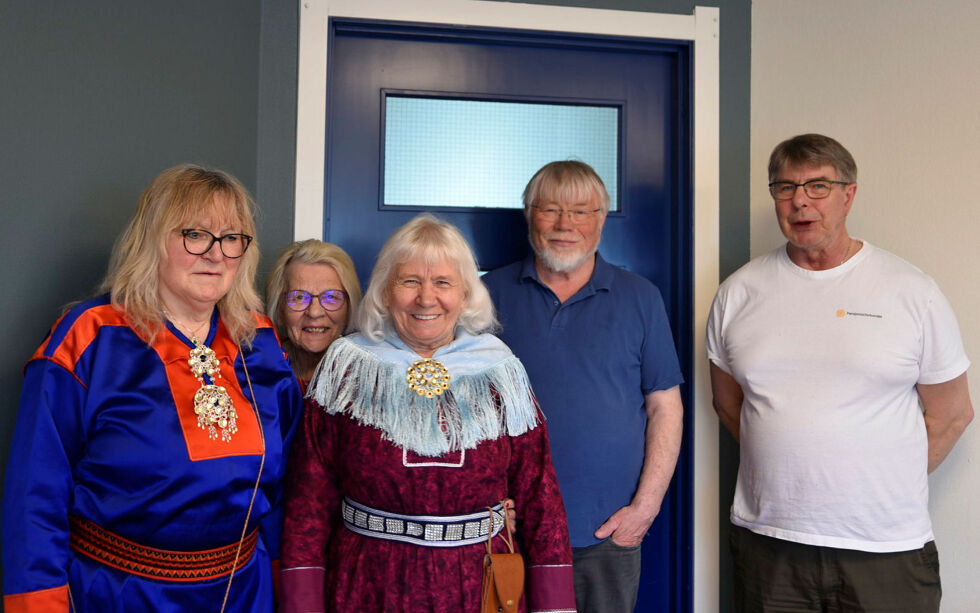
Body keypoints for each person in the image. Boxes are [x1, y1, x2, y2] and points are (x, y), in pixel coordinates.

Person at [2, 164, 302, 612]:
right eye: (195, 234)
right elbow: (35, 495)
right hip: (120, 595)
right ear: (152, 240)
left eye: (232, 238)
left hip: (242, 594)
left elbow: (282, 493)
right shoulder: (88, 338)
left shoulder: (258, 340)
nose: (216, 254)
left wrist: (289, 593)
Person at [706, 134, 974, 612]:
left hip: (884, 549)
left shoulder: (912, 291)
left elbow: (952, 414)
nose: (799, 201)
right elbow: (728, 404)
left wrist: (874, 480)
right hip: (771, 545)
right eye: (784, 187)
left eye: (818, 186)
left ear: (849, 194)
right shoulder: (738, 293)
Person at [279, 213, 576, 613]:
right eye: (410, 281)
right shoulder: (347, 369)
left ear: (467, 293)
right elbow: (308, 502)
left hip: (478, 588)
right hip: (366, 586)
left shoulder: (499, 372)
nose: (425, 298)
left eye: (442, 282)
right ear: (386, 290)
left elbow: (541, 498)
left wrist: (554, 606)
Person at [482, 161, 685, 612]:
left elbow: (665, 408)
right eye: (550, 209)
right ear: (528, 214)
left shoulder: (641, 297)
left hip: (606, 532)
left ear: (601, 219)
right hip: (507, 530)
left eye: (581, 211)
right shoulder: (486, 296)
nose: (564, 225)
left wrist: (644, 510)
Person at [266, 239, 362, 390]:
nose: (314, 312)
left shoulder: (367, 378)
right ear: (279, 309)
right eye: (299, 297)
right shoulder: (255, 370)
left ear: (349, 308)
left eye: (331, 297)